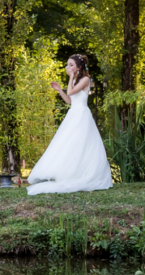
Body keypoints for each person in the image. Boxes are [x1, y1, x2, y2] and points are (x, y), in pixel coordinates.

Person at [27, 55, 113, 195]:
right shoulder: (76, 80)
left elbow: (71, 91)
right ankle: (70, 173)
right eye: (68, 64)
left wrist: (70, 77)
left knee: (81, 144)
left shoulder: (85, 79)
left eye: (71, 65)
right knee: (70, 144)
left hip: (82, 115)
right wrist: (60, 90)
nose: (68, 67)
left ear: (79, 67)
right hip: (73, 114)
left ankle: (83, 174)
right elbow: (70, 100)